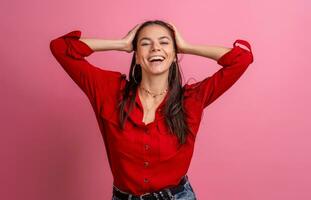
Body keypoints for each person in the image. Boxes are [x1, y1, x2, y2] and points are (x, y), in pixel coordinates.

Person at [49, 19, 254, 200]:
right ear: (137, 56)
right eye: (145, 44)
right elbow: (60, 47)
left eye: (164, 43)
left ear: (175, 55)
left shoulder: (191, 99)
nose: (155, 48)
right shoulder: (109, 92)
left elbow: (241, 59)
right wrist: (121, 44)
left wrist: (186, 46)